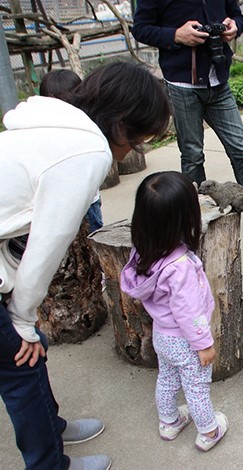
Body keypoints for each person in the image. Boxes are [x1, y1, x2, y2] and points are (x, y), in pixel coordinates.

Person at [0, 61, 171, 470]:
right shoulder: (87, 150)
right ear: (120, 123)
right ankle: (49, 465)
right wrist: (22, 318)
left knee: (30, 351)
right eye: (137, 139)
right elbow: (48, 242)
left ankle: (50, 425)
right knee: (19, 364)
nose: (130, 151)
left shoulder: (50, 121)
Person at [120, 171, 228, 452]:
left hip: (162, 336)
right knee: (196, 388)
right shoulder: (179, 266)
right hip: (186, 340)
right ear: (183, 219)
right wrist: (203, 344)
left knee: (167, 379)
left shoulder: (143, 251)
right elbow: (188, 311)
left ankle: (169, 422)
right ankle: (209, 431)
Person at [131, 0, 243, 233]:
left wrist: (235, 27)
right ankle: (195, 217)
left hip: (218, 79)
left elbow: (235, 14)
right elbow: (141, 28)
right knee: (192, 155)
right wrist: (175, 35)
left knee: (241, 150)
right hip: (182, 84)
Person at [40, 69, 104, 233]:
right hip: (57, 205)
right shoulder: (42, 130)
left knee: (93, 241)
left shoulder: (85, 127)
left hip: (86, 203)